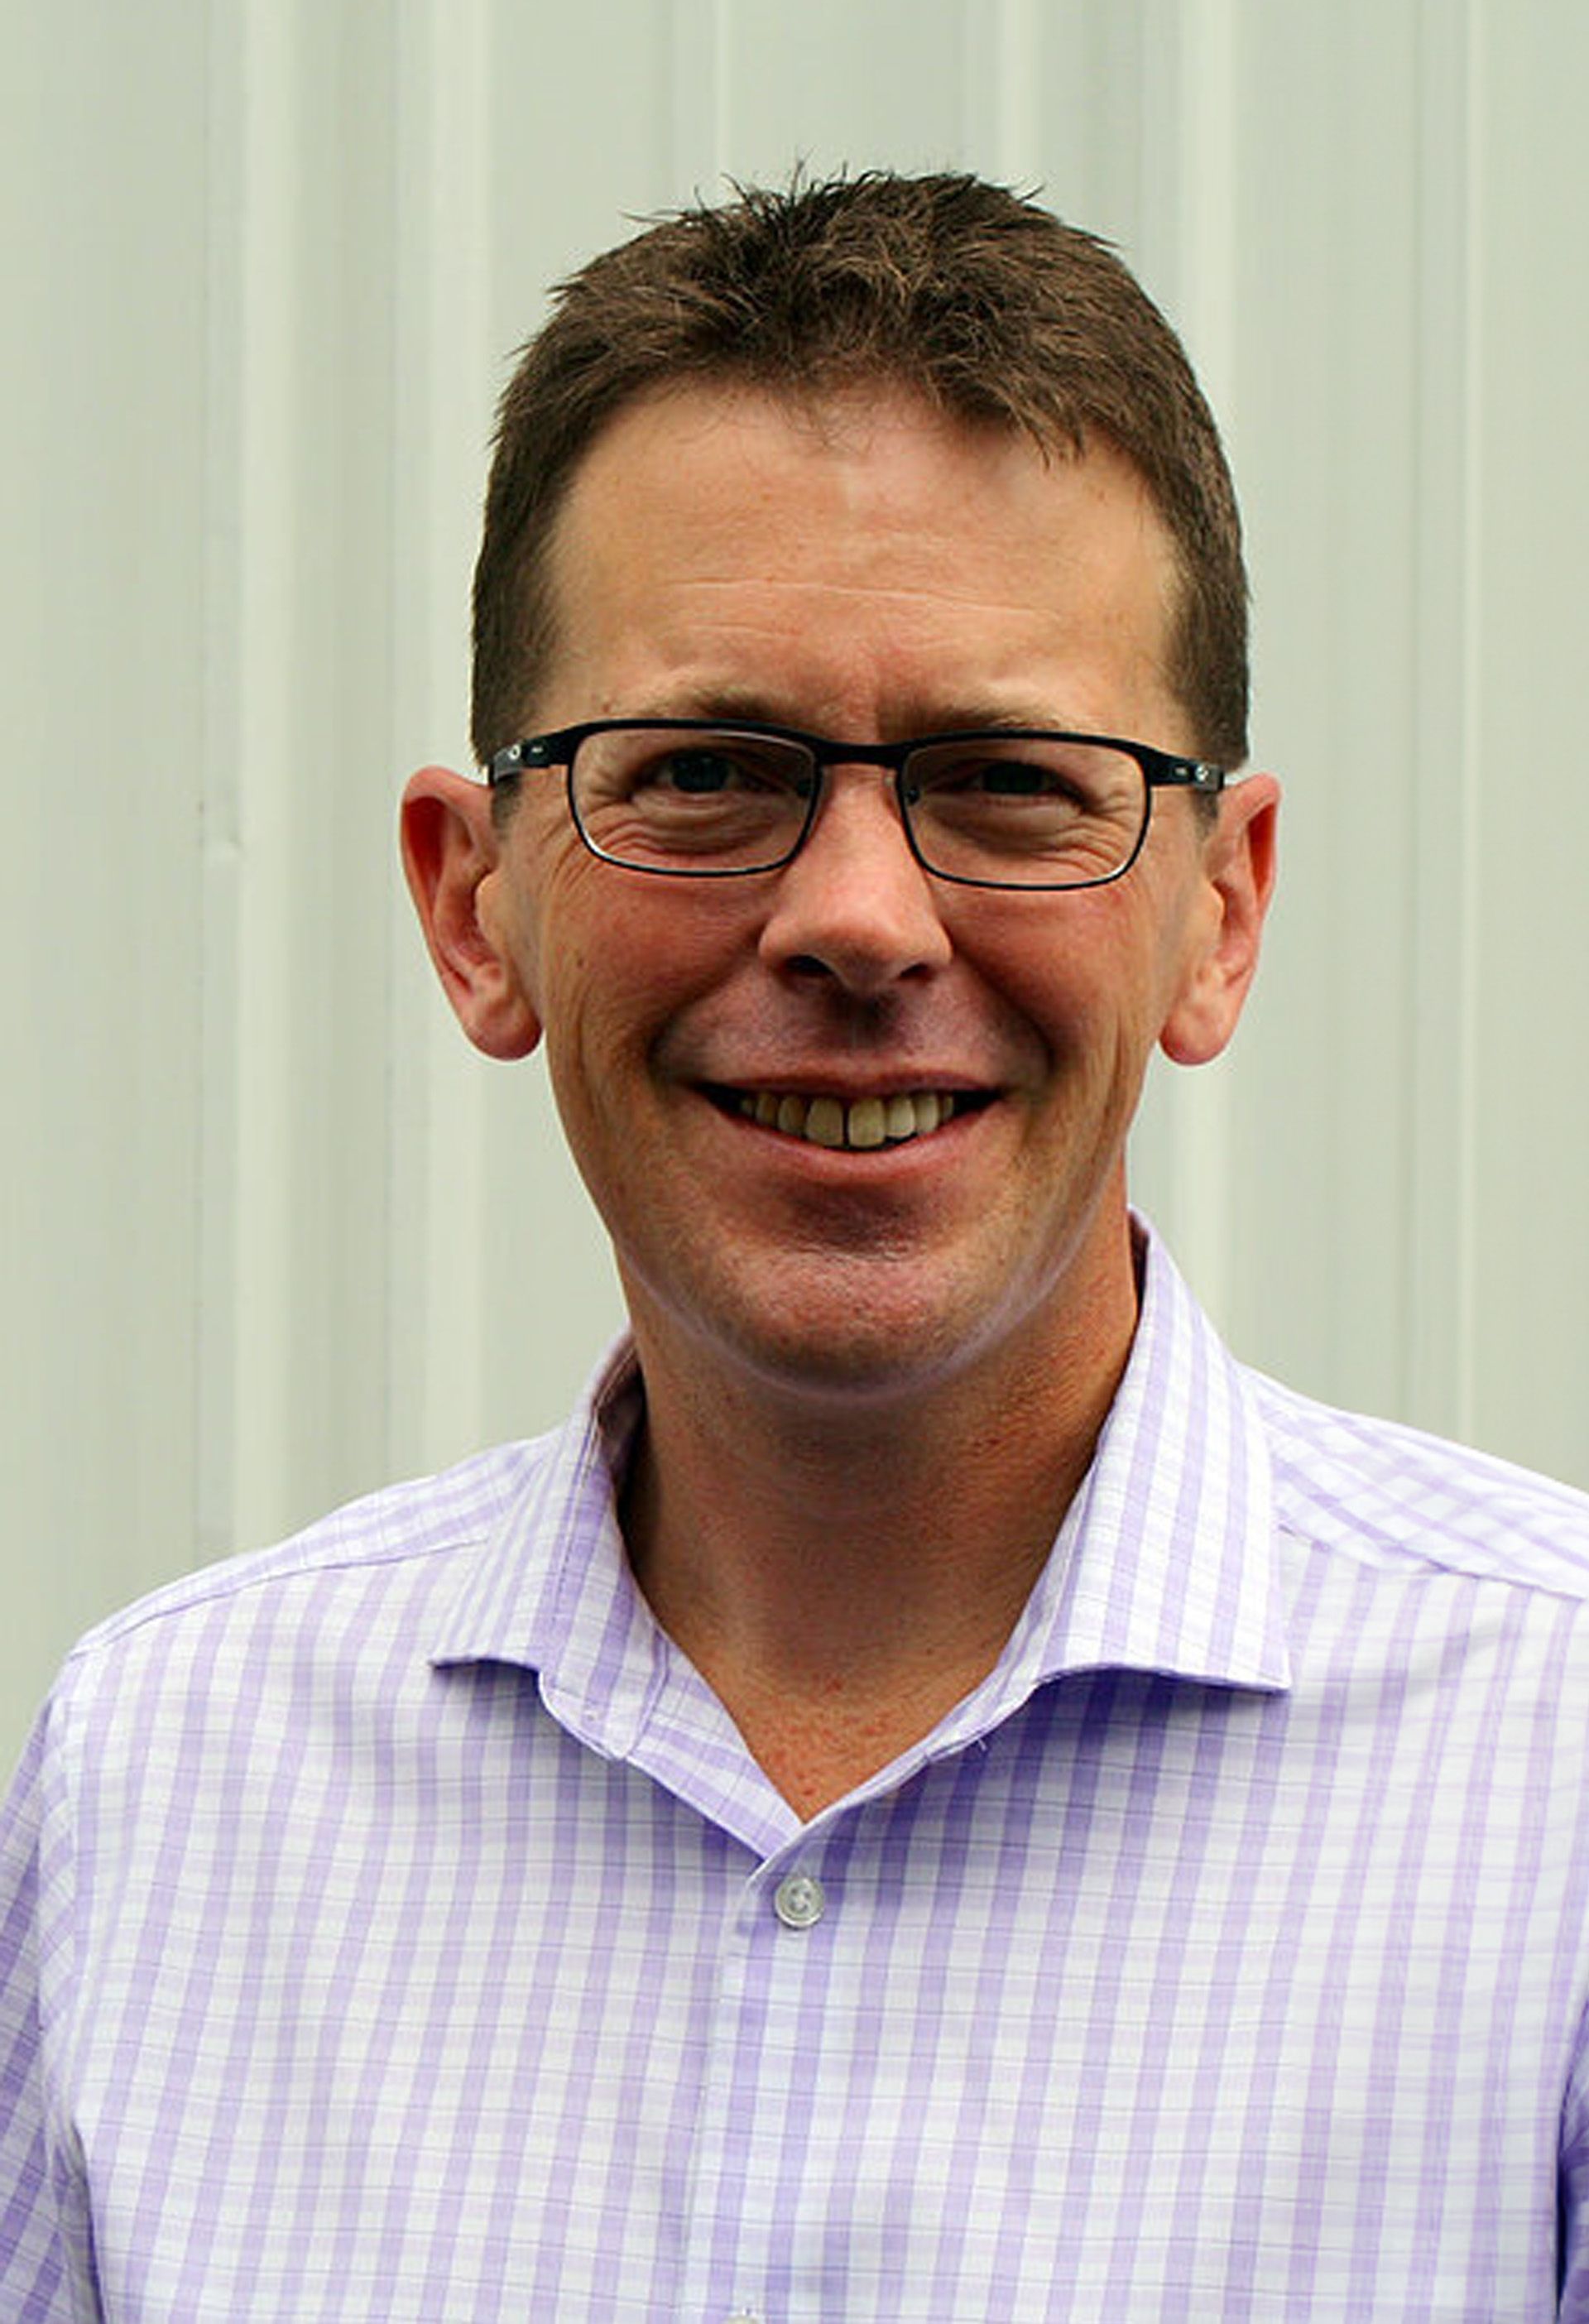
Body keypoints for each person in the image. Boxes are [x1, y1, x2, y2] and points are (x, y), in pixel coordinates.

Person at [2, 171, 1588, 2322]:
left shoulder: (1549, 1785)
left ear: (1222, 908)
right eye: (710, 770)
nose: (855, 916)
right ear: (477, 907)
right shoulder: (166, 1795)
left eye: (1011, 778)